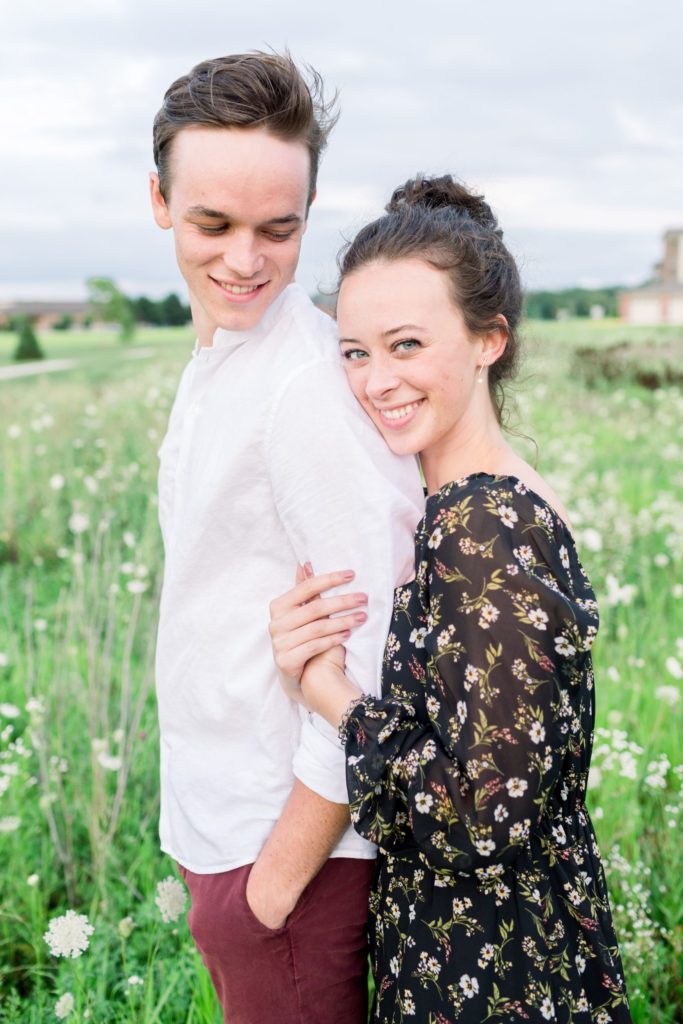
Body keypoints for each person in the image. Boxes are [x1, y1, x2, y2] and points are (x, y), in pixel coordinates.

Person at [269, 176, 632, 1023]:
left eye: (405, 345)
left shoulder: (485, 526)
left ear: (487, 341)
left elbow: (482, 816)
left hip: (494, 968)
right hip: (490, 946)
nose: (375, 380)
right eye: (355, 351)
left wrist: (329, 694)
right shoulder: (464, 508)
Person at [149, 52, 424, 1023]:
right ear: (158, 202)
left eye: (280, 228)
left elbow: (376, 639)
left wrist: (273, 883)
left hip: (289, 857)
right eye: (211, 224)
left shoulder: (304, 385)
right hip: (221, 825)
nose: (244, 260)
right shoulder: (221, 357)